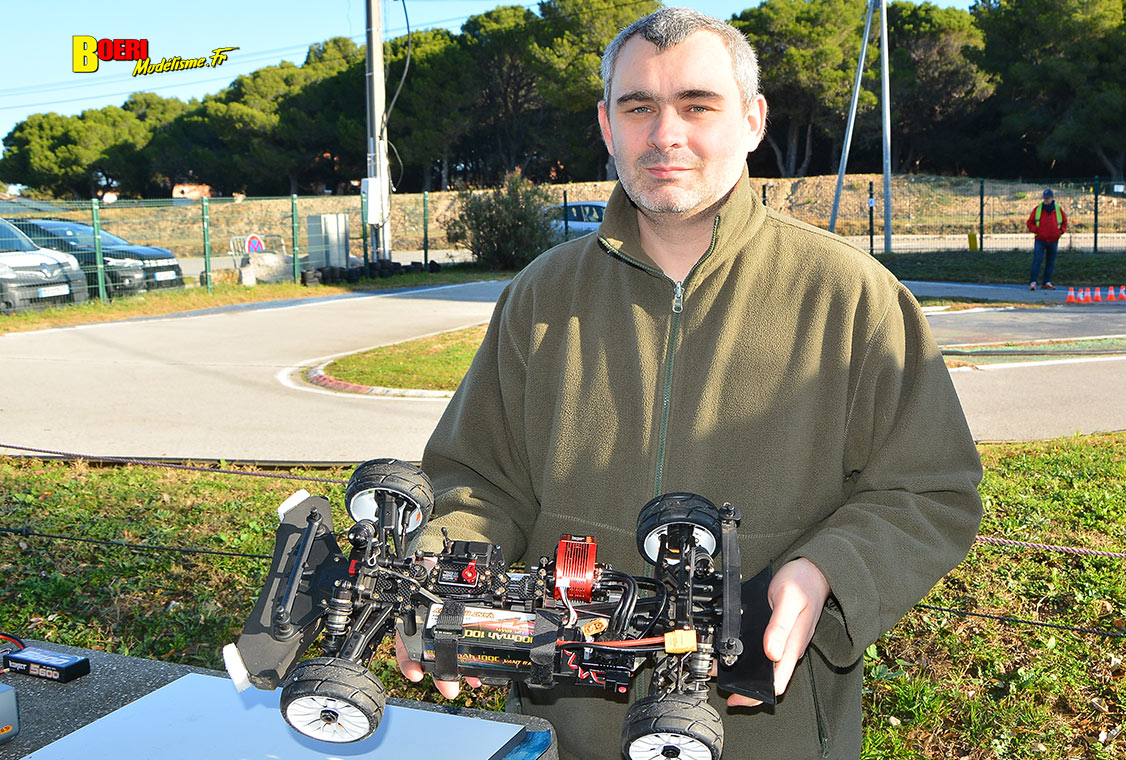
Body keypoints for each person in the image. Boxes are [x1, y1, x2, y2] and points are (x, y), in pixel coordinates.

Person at [398, 8, 984, 759]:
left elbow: (929, 491)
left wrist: (827, 573)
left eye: (697, 105)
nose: (664, 134)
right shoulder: (540, 296)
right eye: (638, 106)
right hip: (566, 732)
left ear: (752, 119)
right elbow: (477, 481)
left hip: (771, 736)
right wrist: (442, 568)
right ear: (607, 126)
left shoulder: (852, 297)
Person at [1026, 188, 1068, 290]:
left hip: (1053, 240)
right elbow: (1030, 222)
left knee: (1050, 262)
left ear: (1052, 198)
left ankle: (1046, 282)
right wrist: (1036, 230)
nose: (1046, 200)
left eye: (1048, 198)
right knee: (1037, 261)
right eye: (1045, 198)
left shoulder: (1058, 209)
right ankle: (1033, 282)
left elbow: (1064, 222)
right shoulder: (1038, 209)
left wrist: (1060, 232)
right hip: (1040, 240)